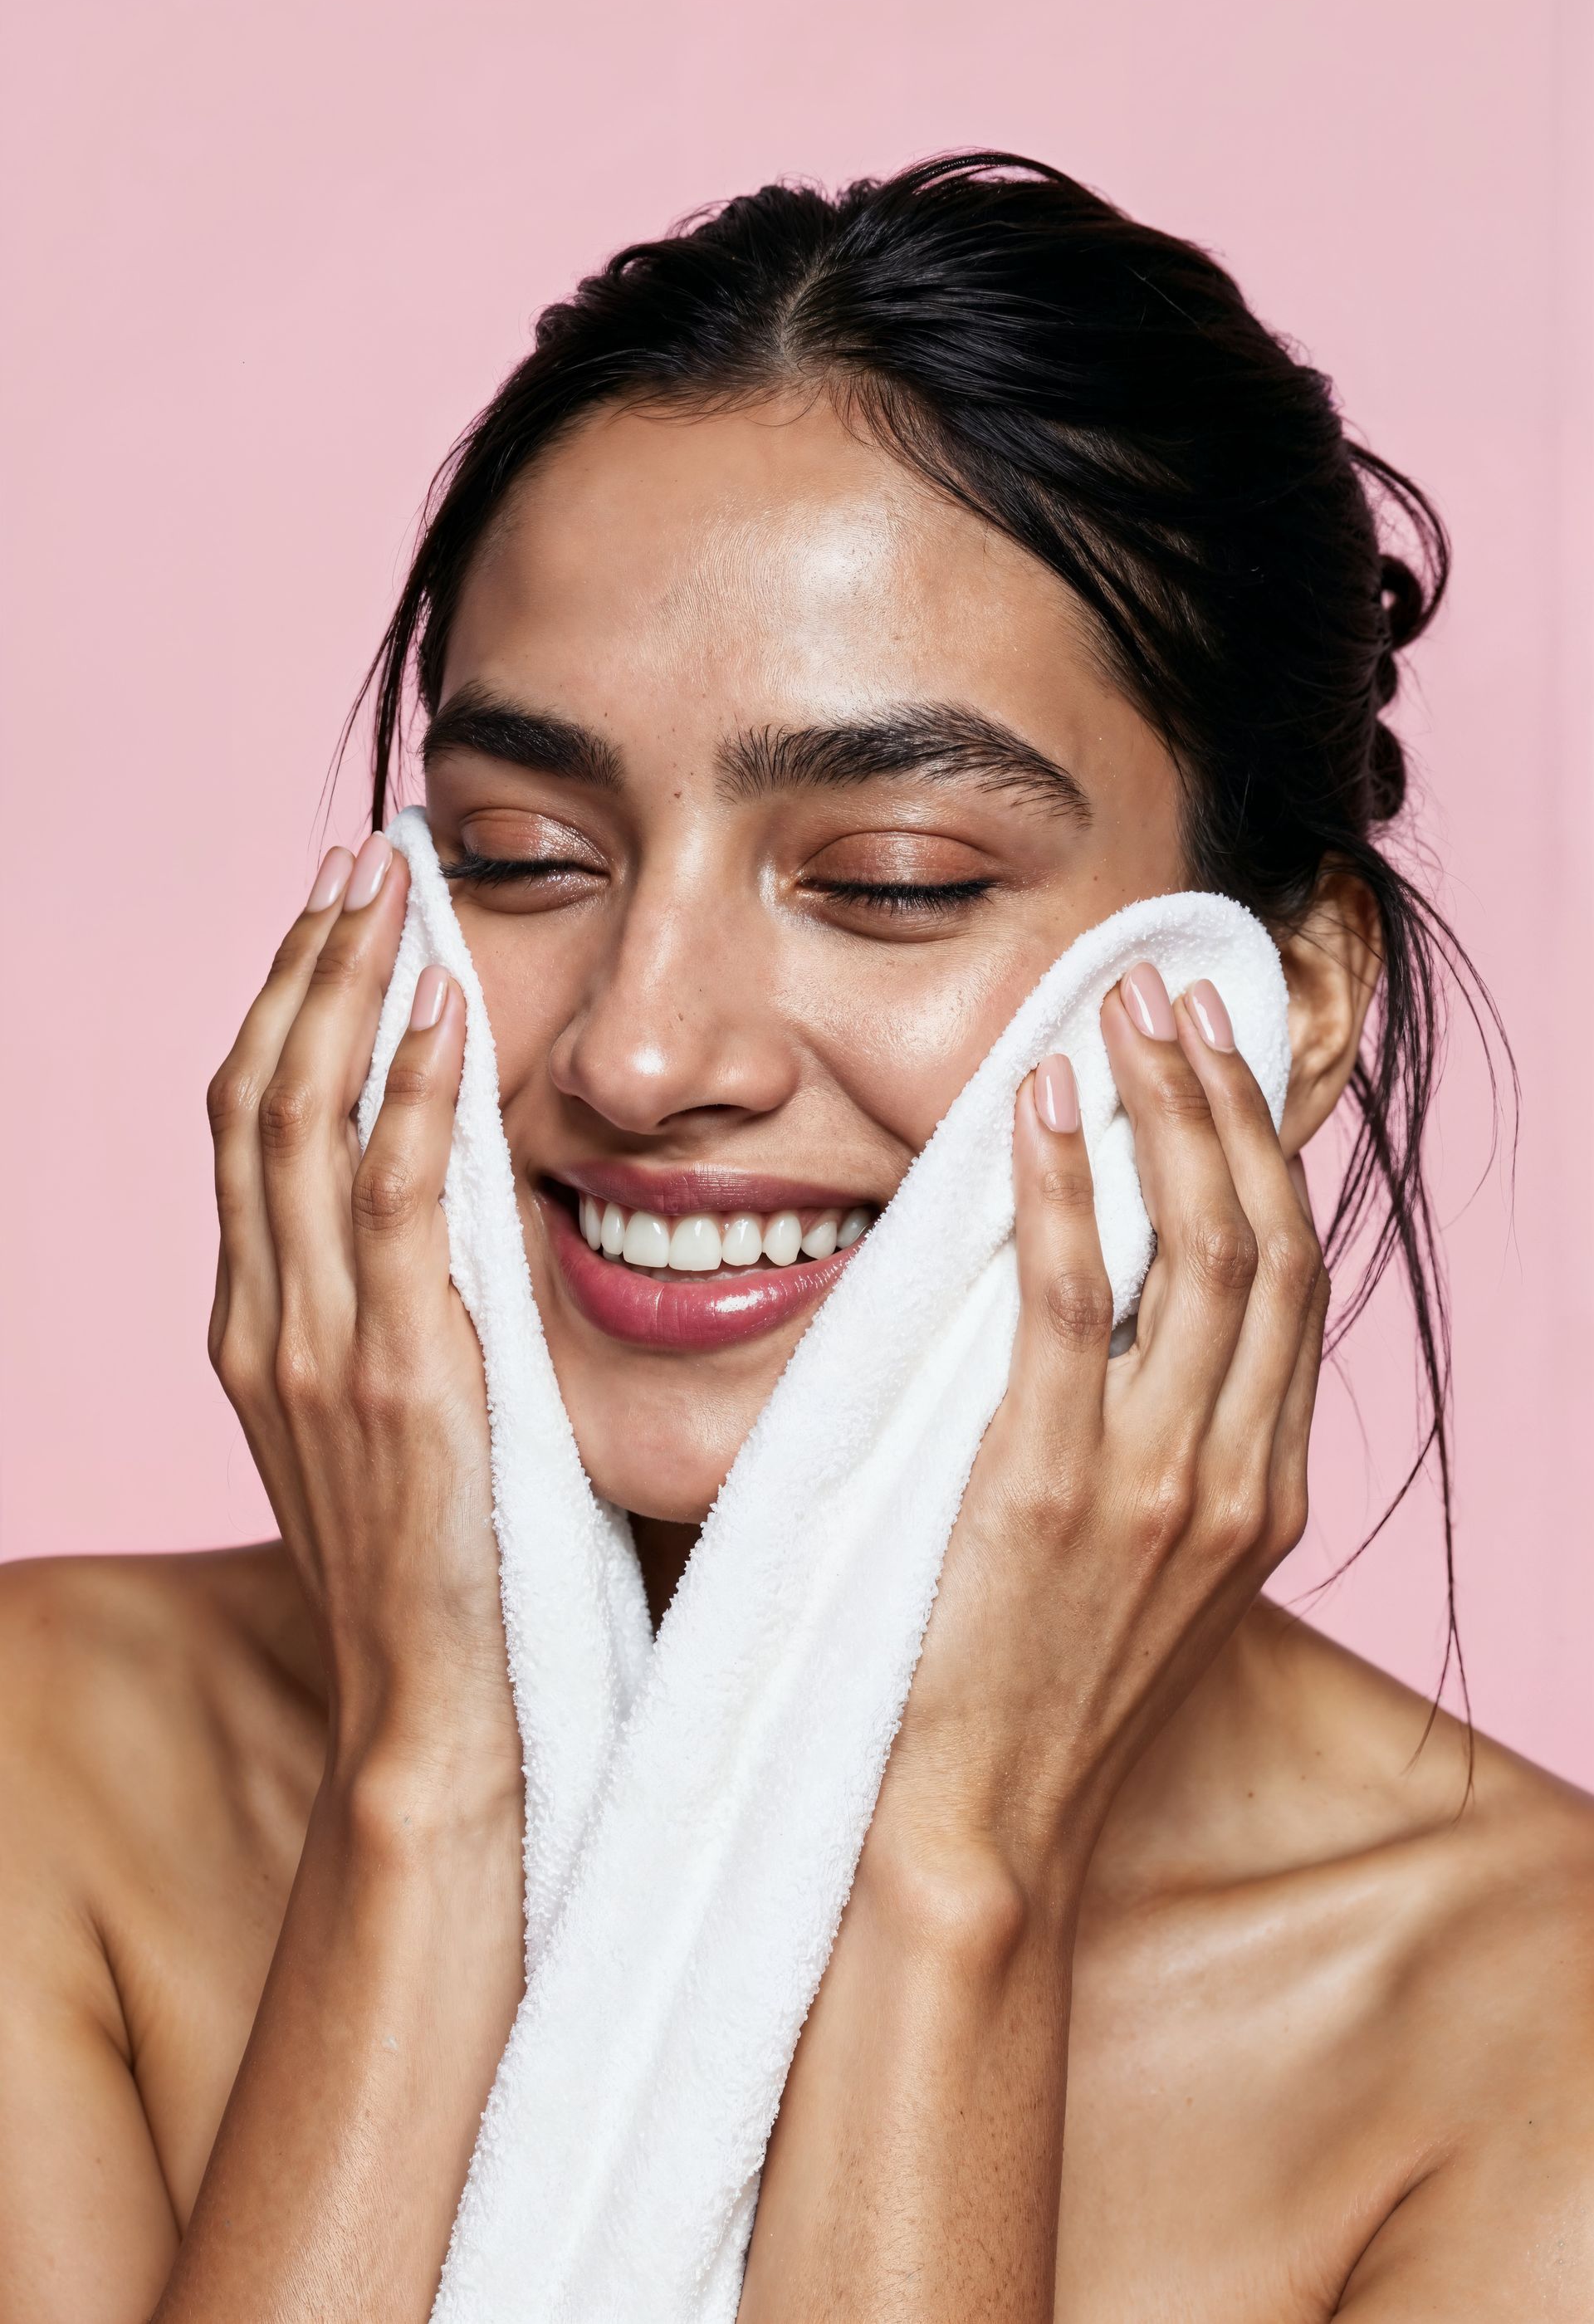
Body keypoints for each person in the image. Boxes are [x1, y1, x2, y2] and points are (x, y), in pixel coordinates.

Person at [2, 153, 1590, 2324]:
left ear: (1282, 999)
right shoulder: (46, 1780)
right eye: (521, 852)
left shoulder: (1527, 2045)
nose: (641, 1056)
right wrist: (423, 1807)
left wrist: (957, 1888)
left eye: (898, 880)